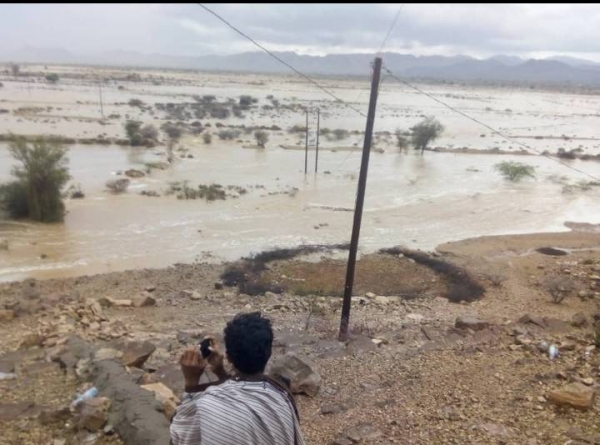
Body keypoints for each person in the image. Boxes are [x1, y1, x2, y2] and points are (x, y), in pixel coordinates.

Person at [169, 312, 305, 445]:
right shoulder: (282, 395)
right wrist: (220, 371)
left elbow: (179, 436)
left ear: (228, 356)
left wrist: (191, 383)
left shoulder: (206, 405)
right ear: (269, 353)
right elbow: (242, 387)